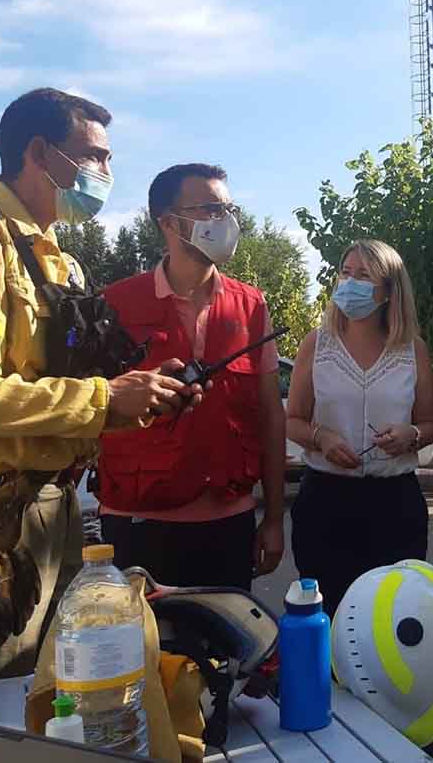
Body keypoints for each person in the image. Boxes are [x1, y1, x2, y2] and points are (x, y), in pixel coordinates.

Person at [0, 88, 199, 684]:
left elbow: (68, 398)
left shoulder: (60, 261)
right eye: (95, 156)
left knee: (60, 701)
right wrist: (105, 398)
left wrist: (138, 396)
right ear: (38, 152)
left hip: (53, 513)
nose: (106, 173)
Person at [96, 163, 286, 590]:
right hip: (138, 523)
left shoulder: (250, 305)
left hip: (229, 522)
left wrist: (273, 518)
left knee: (229, 653)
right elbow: (88, 405)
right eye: (209, 209)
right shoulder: (115, 305)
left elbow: (271, 415)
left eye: (228, 208)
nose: (226, 221)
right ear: (168, 222)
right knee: (144, 651)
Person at [286, 239, 433, 618]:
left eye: (364, 275)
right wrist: (322, 437)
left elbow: (430, 424)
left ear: (389, 291)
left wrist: (412, 436)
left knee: (394, 618)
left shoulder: (412, 349)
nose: (349, 282)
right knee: (331, 617)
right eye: (346, 272)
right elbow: (292, 420)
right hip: (326, 503)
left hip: (395, 504)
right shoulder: (317, 344)